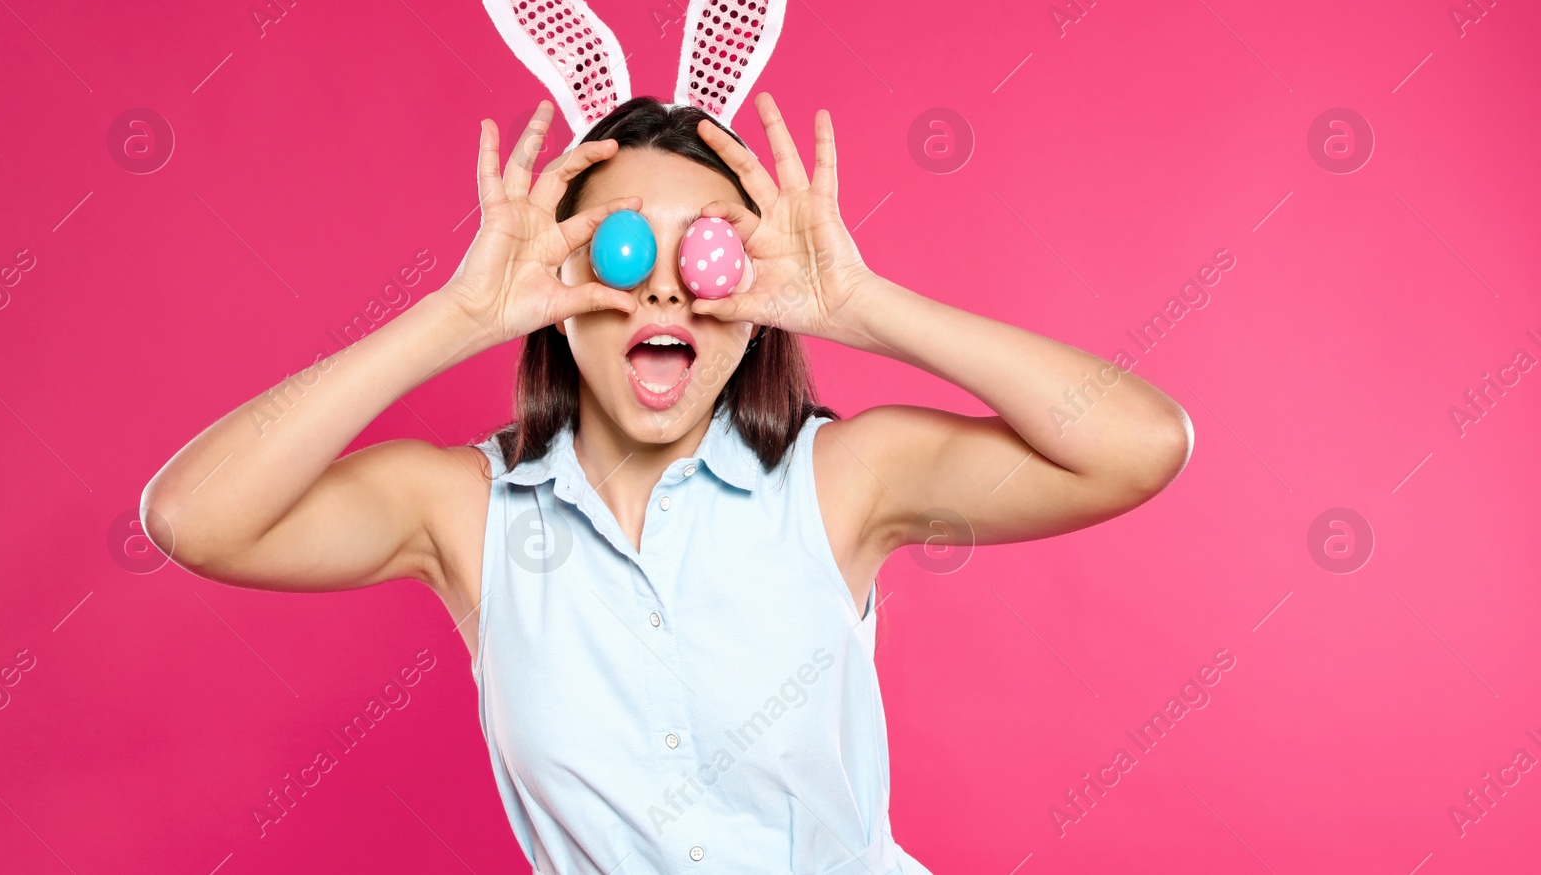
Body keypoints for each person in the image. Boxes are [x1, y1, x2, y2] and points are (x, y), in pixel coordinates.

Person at [142, 91, 1192, 873]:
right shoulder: (469, 514)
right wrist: (454, 319)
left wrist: (862, 305)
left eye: (707, 248)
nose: (662, 283)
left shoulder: (839, 481)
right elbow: (195, 515)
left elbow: (1137, 443)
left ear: (752, 293)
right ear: (562, 291)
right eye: (621, 245)